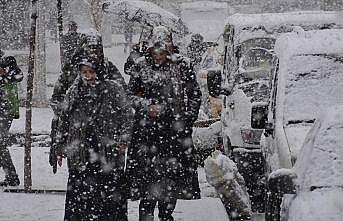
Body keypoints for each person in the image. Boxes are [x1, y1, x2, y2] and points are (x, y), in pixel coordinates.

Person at [126, 26, 202, 221]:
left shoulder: (182, 65)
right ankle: (147, 214)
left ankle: (166, 214)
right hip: (146, 132)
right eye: (155, 52)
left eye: (162, 52)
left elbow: (194, 94)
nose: (158, 56)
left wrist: (187, 119)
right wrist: (146, 106)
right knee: (147, 180)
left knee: (172, 180)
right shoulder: (141, 65)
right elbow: (130, 95)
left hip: (174, 133)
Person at [54, 55, 133, 221]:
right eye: (84, 72)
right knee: (80, 199)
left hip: (107, 151)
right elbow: (63, 119)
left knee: (108, 197)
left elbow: (126, 115)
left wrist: (123, 139)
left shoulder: (113, 89)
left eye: (91, 71)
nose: (88, 76)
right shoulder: (74, 91)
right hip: (81, 152)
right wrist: (60, 146)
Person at [49, 32, 127, 173]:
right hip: (79, 135)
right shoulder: (71, 70)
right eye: (89, 47)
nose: (93, 51)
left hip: (105, 136)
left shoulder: (108, 68)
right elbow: (57, 98)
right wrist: (71, 114)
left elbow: (123, 99)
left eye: (96, 48)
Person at [0, 55, 23, 186]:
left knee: (0, 144)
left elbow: (18, 75)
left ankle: (12, 176)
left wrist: (6, 74)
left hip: (5, 111)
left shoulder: (8, 62)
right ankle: (11, 175)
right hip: (5, 110)